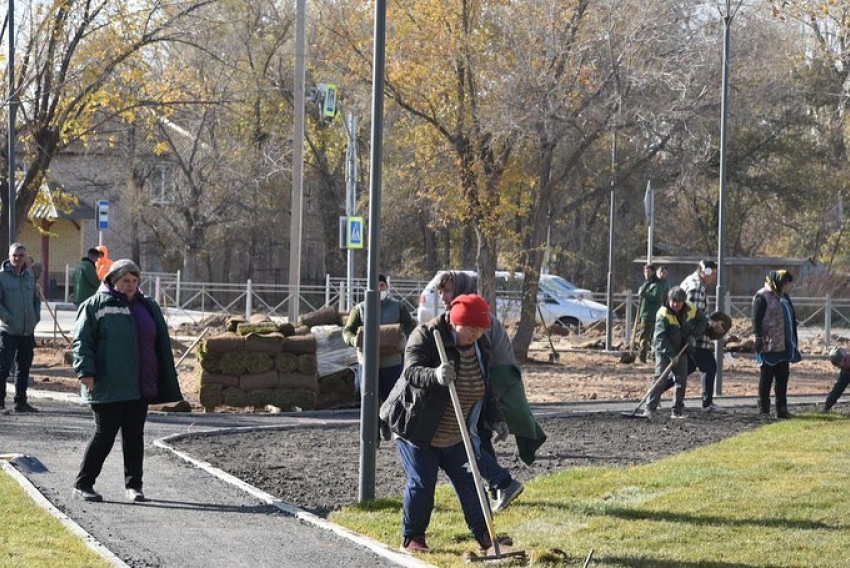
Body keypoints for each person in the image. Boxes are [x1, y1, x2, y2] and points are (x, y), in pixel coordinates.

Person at [383, 294, 510, 554]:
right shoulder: (427, 335)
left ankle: (486, 535)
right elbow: (411, 371)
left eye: (480, 329)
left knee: (471, 481)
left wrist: (496, 418)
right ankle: (413, 538)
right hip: (417, 428)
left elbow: (486, 385)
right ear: (455, 321)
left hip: (456, 432)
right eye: (471, 328)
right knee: (423, 483)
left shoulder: (480, 344)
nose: (476, 334)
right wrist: (436, 375)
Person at [71, 259, 183, 502]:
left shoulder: (146, 306)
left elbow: (157, 343)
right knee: (105, 435)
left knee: (134, 437)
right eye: (125, 281)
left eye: (134, 281)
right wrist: (85, 372)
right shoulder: (94, 306)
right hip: (107, 383)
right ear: (113, 280)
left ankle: (134, 487)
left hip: (139, 384)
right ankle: (83, 484)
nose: (130, 285)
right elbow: (82, 342)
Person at [435, 271, 533, 511]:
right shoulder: (469, 315)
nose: (443, 297)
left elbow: (481, 363)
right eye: (440, 292)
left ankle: (502, 483)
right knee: (479, 438)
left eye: (447, 291)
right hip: (482, 390)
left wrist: (494, 409)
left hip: (483, 390)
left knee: (467, 441)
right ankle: (498, 487)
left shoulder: (474, 319)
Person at [342, 274, 416, 427]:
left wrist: (404, 339)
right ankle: (372, 432)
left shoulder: (398, 307)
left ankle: (389, 427)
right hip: (367, 363)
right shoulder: (359, 309)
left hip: (392, 362)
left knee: (393, 397)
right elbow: (347, 330)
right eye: (375, 285)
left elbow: (411, 327)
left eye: (381, 285)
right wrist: (353, 340)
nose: (379, 288)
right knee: (369, 400)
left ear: (386, 287)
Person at [643, 286, 707, 420]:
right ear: (668, 299)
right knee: (660, 378)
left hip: (682, 349)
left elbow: (703, 321)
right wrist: (671, 355)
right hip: (664, 351)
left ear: (684, 301)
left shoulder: (691, 308)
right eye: (673, 301)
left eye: (679, 302)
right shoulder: (663, 313)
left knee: (681, 380)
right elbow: (660, 338)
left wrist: (693, 336)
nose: (676, 305)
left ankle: (677, 411)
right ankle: (649, 409)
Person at [752, 270, 801, 419]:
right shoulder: (762, 296)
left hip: (784, 345)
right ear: (778, 282)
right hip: (769, 345)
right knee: (766, 377)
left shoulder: (783, 296)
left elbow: (791, 316)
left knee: (782, 378)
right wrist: (758, 338)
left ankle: (782, 410)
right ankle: (764, 410)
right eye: (785, 282)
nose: (787, 286)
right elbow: (756, 319)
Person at [0, 243, 41, 413]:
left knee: (24, 367)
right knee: (3, 368)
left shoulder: (30, 275)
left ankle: (21, 402)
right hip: (9, 330)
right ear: (9, 256)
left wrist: (35, 317)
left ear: (25, 257)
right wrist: (7, 318)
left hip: (27, 330)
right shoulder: (2, 277)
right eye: (15, 255)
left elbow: (36, 299)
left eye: (21, 255)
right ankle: (0, 403)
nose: (17, 259)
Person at [680, 260, 726, 412]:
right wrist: (713, 325)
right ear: (703, 272)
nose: (713, 277)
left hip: (690, 335)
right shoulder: (697, 288)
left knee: (687, 368)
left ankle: (657, 389)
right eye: (711, 274)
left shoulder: (690, 281)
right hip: (695, 337)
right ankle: (707, 404)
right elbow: (696, 314)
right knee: (710, 366)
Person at [637, 264, 666, 364]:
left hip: (651, 315)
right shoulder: (647, 283)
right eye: (645, 272)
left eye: (648, 272)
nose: (646, 274)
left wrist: (643, 294)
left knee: (647, 337)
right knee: (646, 337)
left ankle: (643, 357)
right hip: (645, 314)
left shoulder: (657, 285)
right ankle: (648, 357)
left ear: (653, 272)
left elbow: (657, 298)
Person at [821, 346, 850, 412]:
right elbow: (837, 390)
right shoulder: (844, 368)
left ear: (842, 359)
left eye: (838, 364)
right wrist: (827, 406)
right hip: (846, 373)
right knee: (838, 388)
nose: (838, 367)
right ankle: (826, 408)